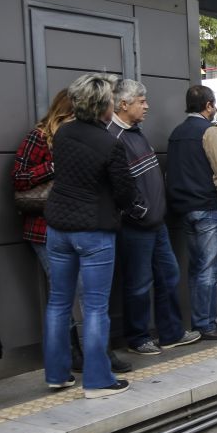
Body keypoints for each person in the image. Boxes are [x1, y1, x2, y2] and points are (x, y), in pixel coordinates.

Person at [44, 74, 143, 398]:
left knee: (59, 302)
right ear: (104, 106)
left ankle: (57, 374)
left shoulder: (62, 134)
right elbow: (125, 190)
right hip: (94, 231)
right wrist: (127, 207)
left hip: (58, 227)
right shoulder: (109, 144)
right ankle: (98, 379)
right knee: (95, 306)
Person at [11, 89, 110, 373]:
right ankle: (72, 355)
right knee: (66, 293)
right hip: (44, 228)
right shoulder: (39, 136)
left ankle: (78, 358)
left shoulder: (82, 137)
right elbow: (19, 178)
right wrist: (55, 165)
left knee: (78, 293)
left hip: (78, 225)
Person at [108, 79, 200, 355]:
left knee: (169, 275)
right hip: (136, 225)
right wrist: (140, 213)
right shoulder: (113, 137)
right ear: (124, 104)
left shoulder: (135, 132)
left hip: (156, 223)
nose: (147, 106)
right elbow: (118, 186)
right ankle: (137, 337)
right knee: (138, 283)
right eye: (141, 101)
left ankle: (170, 332)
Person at [166, 85, 217, 341]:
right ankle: (206, 323)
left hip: (185, 210)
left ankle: (202, 318)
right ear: (208, 105)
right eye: (214, 104)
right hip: (209, 209)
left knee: (196, 268)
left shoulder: (177, 133)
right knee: (210, 270)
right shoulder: (210, 133)